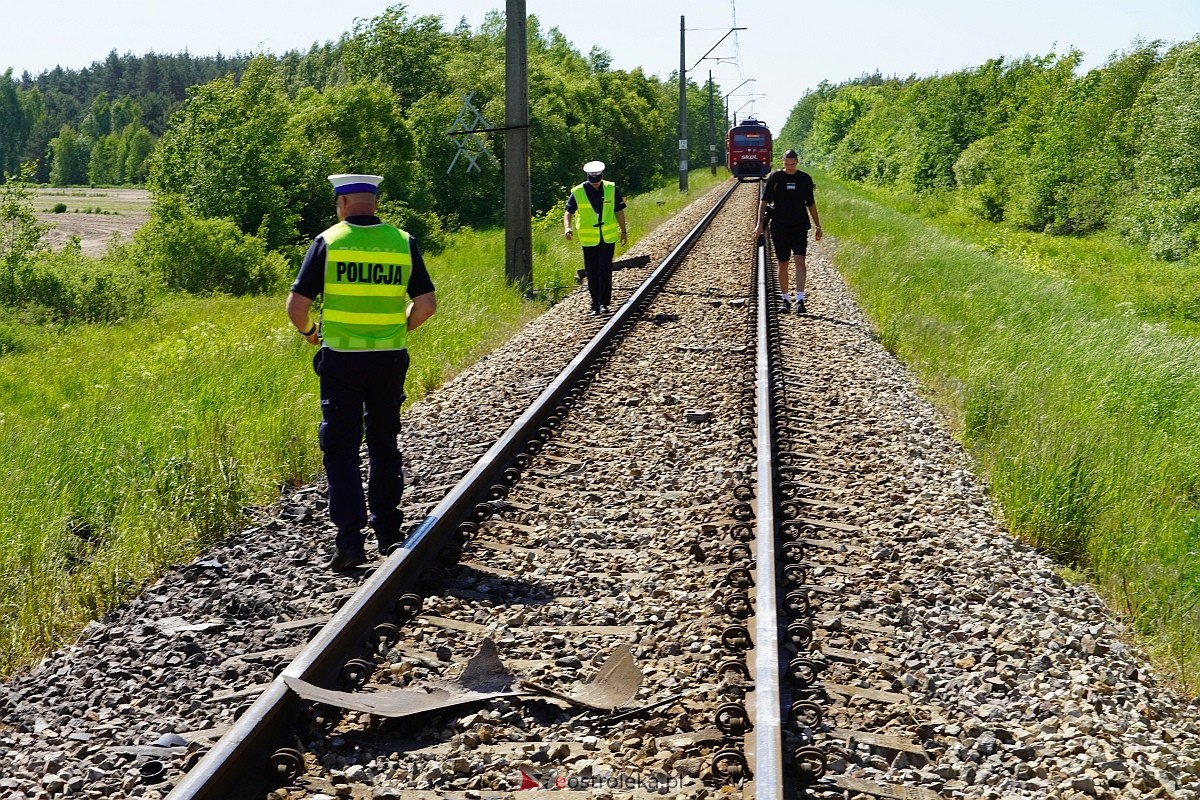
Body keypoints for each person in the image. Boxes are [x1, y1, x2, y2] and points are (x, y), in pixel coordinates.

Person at [286, 174, 437, 571]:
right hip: (389, 358)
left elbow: (296, 309)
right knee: (384, 443)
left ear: (341, 202)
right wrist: (396, 328)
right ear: (374, 201)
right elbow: (426, 306)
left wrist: (311, 334)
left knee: (341, 449)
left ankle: (350, 542)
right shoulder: (403, 242)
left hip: (341, 361)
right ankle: (389, 533)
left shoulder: (329, 242)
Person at [753, 149, 822, 314]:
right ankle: (785, 299)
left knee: (800, 261)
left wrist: (818, 226)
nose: (790, 167)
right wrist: (759, 224)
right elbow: (764, 203)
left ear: (797, 162)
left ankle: (800, 299)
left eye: (793, 164)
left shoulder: (805, 179)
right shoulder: (775, 178)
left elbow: (811, 204)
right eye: (787, 164)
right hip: (779, 227)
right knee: (782, 263)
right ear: (782, 162)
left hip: (799, 226)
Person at [564, 160, 628, 315]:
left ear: (601, 176)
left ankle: (604, 303)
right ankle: (595, 303)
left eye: (598, 181)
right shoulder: (578, 192)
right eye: (593, 182)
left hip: (607, 237)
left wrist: (624, 231)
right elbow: (568, 212)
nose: (595, 184)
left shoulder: (611, 189)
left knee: (604, 269)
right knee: (592, 271)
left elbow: (619, 211)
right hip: (589, 239)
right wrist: (567, 228)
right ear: (588, 178)